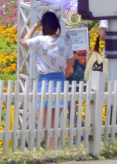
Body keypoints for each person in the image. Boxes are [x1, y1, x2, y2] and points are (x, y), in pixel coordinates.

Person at [21, 12, 76, 149]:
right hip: (60, 80)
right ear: (57, 25)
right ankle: (53, 147)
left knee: (45, 121)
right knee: (55, 119)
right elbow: (71, 63)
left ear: (44, 25)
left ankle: (48, 148)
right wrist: (68, 45)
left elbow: (24, 42)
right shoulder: (65, 41)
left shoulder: (40, 40)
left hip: (45, 81)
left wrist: (34, 26)